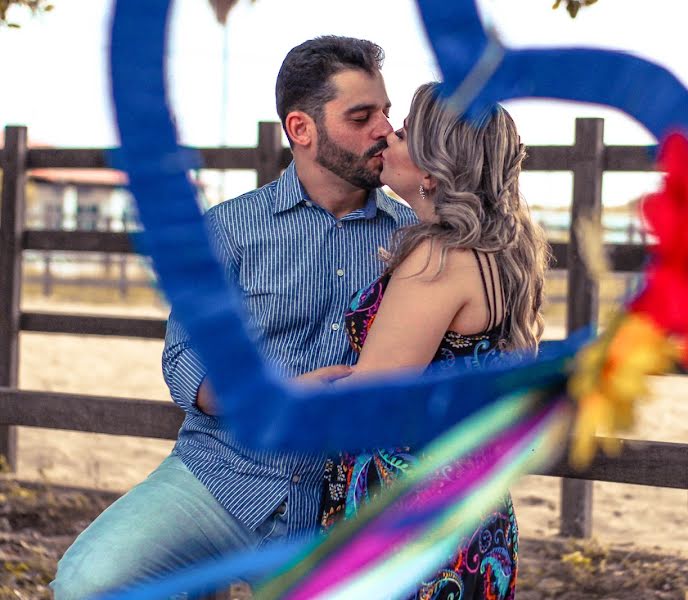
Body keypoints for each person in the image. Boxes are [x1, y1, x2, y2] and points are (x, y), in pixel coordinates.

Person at [51, 36, 415, 597]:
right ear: (301, 129)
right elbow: (185, 359)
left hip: (343, 506)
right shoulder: (229, 229)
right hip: (223, 475)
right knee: (87, 581)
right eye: (362, 116)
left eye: (386, 113)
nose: (384, 130)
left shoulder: (412, 240)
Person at [317, 82, 548, 599]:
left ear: (429, 169)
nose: (386, 141)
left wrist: (309, 386)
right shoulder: (503, 256)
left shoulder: (437, 259)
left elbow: (374, 396)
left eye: (401, 134)